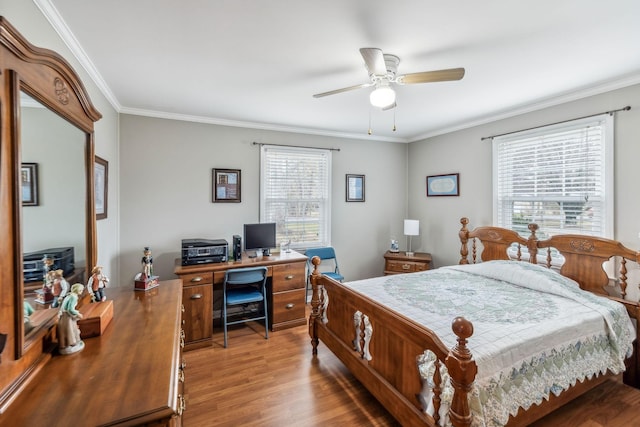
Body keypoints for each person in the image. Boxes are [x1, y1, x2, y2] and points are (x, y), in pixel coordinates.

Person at [57, 283, 85, 355]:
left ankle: (64, 344)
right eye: (80, 290)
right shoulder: (74, 297)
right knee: (70, 330)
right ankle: (71, 343)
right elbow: (70, 309)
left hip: (63, 316)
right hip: (67, 317)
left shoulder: (69, 295)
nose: (81, 291)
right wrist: (78, 314)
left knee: (65, 331)